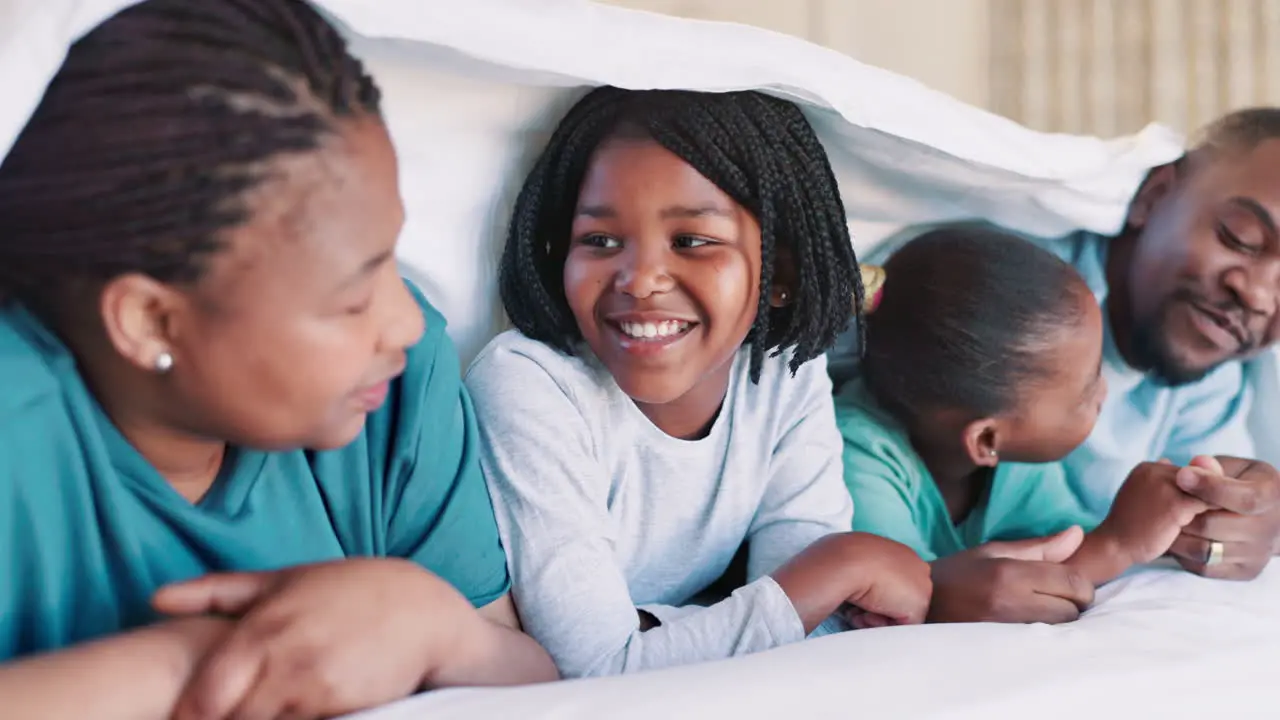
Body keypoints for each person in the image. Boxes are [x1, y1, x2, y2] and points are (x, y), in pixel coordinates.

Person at [0, 2, 557, 719]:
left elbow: (535, 684)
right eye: (352, 299)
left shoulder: (399, 386)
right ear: (150, 320)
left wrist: (435, 630)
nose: (405, 319)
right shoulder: (18, 424)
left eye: (391, 259)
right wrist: (206, 662)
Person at [466, 87, 932, 678]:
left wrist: (663, 626)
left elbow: (823, 621)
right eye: (601, 241)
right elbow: (599, 668)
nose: (639, 280)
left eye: (691, 242)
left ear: (780, 274)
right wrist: (829, 573)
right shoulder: (529, 385)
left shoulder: (784, 372)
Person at [844, 107, 1280, 586]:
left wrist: (1231, 523)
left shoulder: (1214, 372)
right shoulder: (998, 291)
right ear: (1155, 196)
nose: (1258, 296)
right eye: (1239, 237)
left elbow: (1083, 538)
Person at [837, 227, 1213, 624]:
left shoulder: (1014, 461)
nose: (1105, 392)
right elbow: (899, 598)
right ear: (986, 439)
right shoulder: (857, 456)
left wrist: (1158, 525)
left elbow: (1062, 542)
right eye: (1086, 391)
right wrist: (1116, 544)